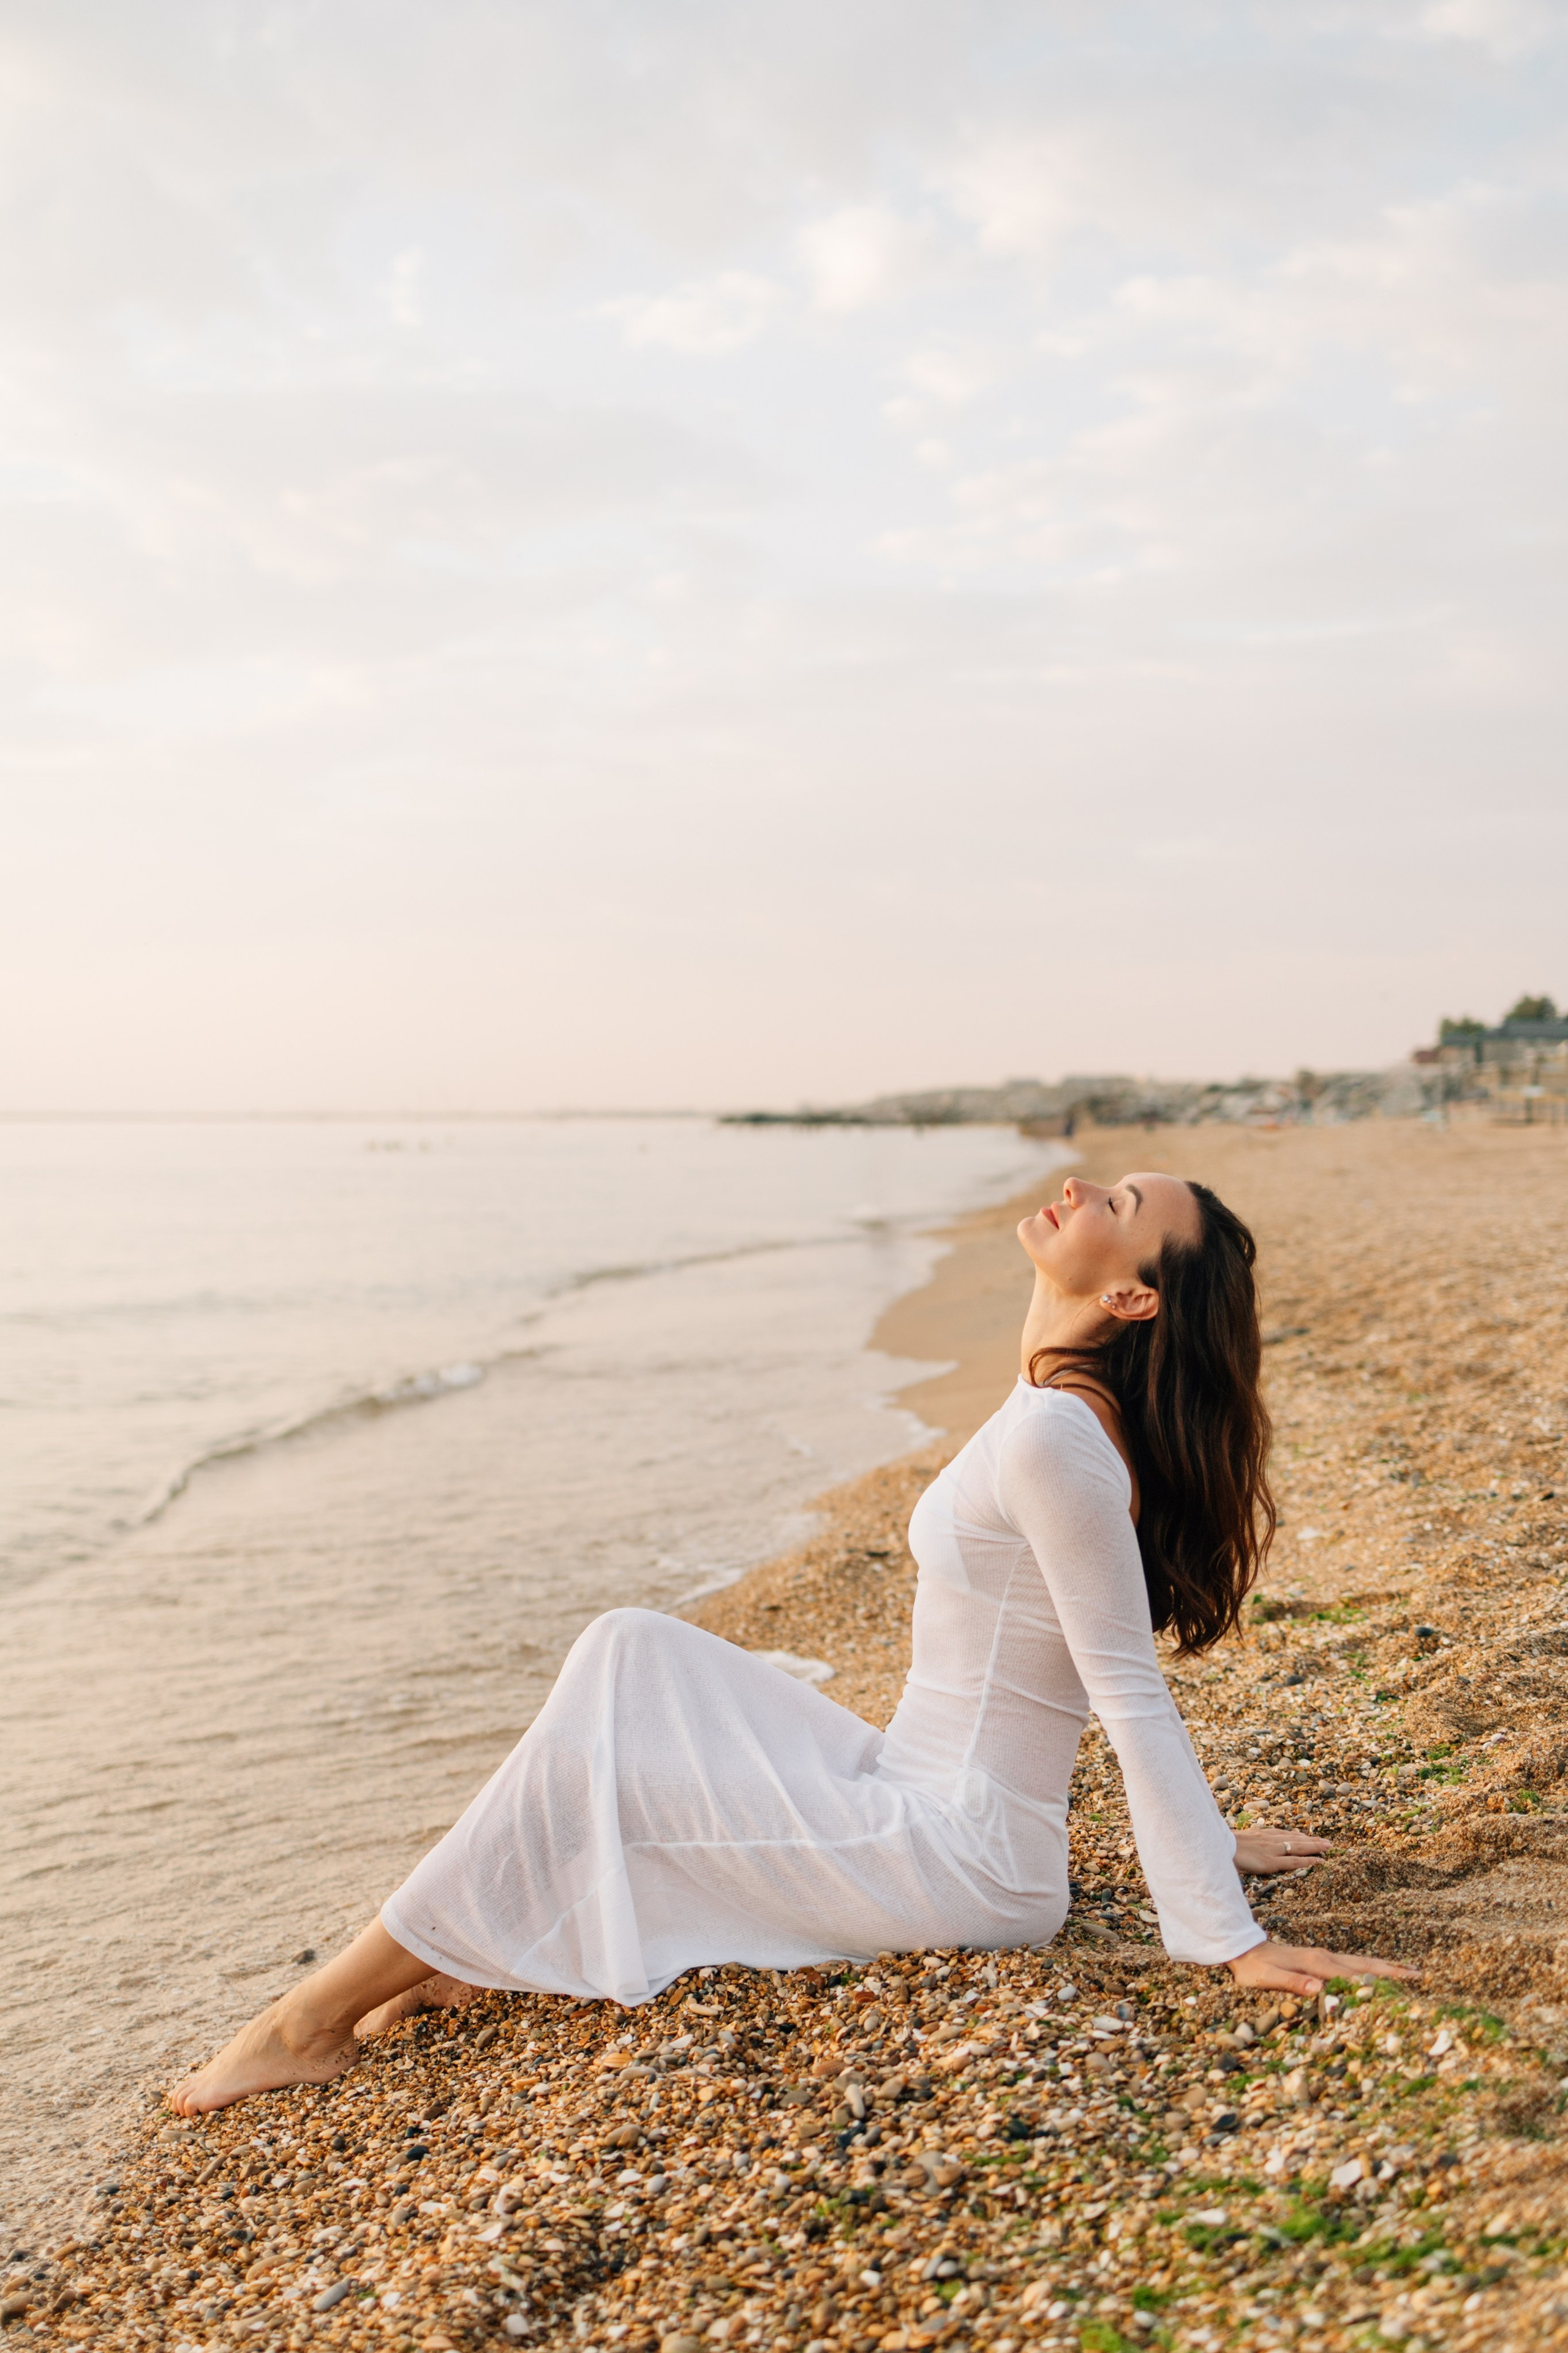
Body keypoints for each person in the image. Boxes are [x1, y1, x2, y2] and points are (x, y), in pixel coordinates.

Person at [168, 1171, 1411, 2115]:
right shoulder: (1054, 1401)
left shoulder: (1054, 1436)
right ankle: (477, 1939)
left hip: (960, 1859)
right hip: (908, 1784)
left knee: (606, 1776)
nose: (1084, 1185)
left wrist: (1225, 1930)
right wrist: (1206, 1834)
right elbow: (1067, 1662)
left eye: (1122, 1204)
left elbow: (1123, 1689)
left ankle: (311, 2018)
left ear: (1131, 1295)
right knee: (630, 1651)